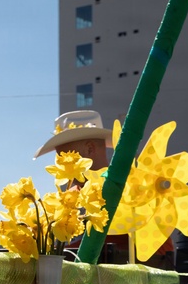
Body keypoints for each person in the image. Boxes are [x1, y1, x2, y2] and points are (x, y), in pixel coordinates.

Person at [34, 109, 174, 268]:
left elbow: (144, 248)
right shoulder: (69, 198)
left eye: (64, 157)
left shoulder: (133, 188)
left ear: (90, 149)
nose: (58, 164)